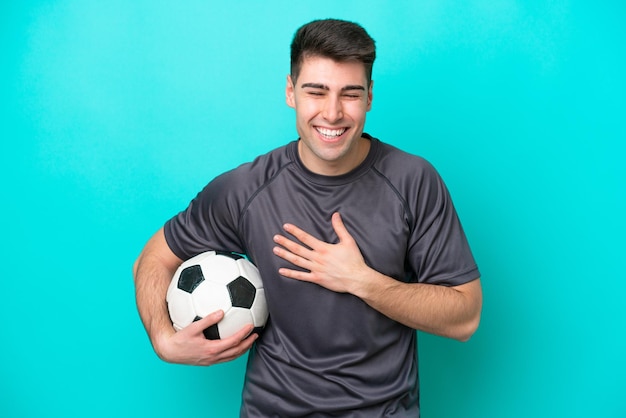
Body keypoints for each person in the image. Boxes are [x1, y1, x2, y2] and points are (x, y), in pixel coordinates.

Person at [133, 18, 482, 417]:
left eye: (349, 94)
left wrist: (362, 281)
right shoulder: (246, 189)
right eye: (316, 92)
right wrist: (163, 339)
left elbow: (465, 317)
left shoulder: (413, 181)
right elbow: (154, 258)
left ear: (369, 96)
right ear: (290, 92)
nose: (332, 113)